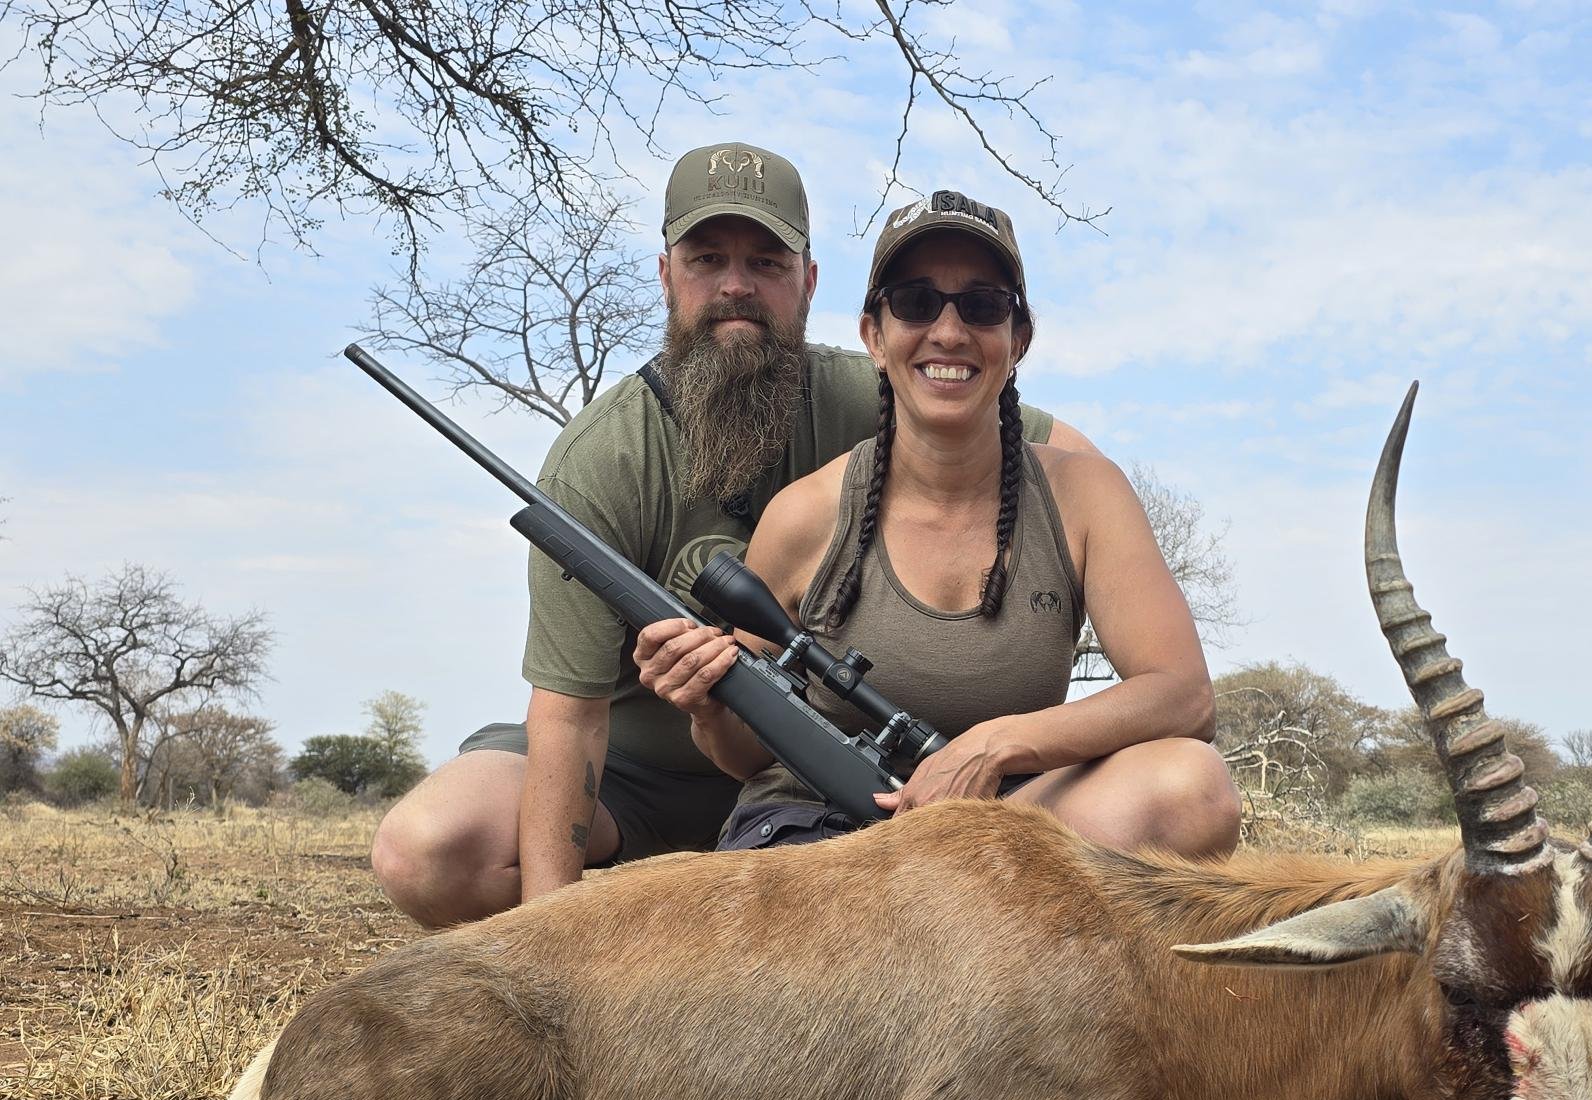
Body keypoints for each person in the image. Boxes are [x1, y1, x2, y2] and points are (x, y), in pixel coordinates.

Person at [371, 145, 1095, 927]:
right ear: (666, 274)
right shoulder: (600, 461)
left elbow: (1067, 465)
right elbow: (570, 714)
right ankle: (601, 955)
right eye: (707, 258)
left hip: (811, 775)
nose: (736, 286)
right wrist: (552, 941)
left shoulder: (883, 390)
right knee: (427, 849)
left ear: (809, 283)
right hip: (633, 776)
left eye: (767, 261)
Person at [631, 189, 1240, 858]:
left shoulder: (1086, 493)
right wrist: (709, 707)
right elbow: (747, 760)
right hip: (824, 834)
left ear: (1018, 341)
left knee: (1192, 789)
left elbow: (1183, 696)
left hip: (1007, 829)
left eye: (982, 306)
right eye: (916, 302)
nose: (948, 333)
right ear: (875, 337)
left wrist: (996, 745)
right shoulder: (806, 514)